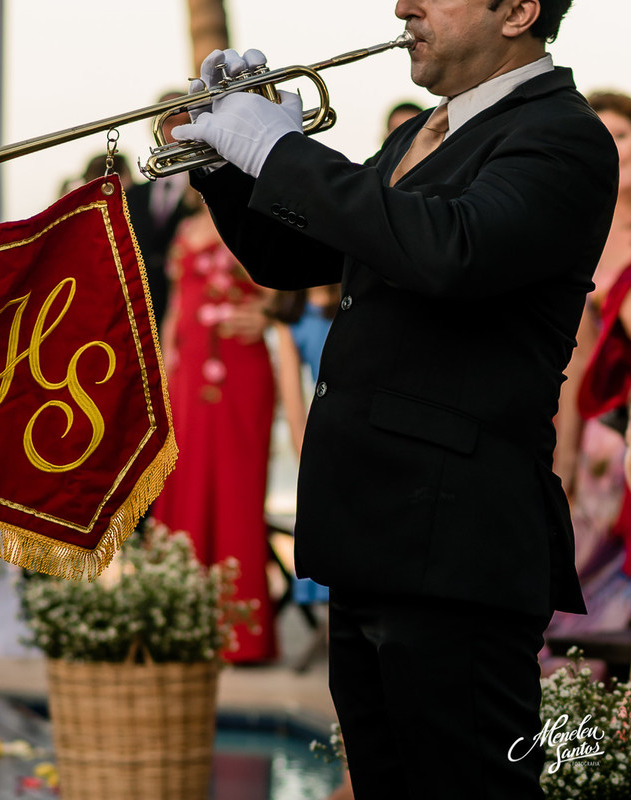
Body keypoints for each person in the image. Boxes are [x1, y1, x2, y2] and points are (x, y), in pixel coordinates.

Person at [170, 0, 616, 796]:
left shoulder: (562, 135)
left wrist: (284, 152)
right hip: (371, 531)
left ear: (518, 10)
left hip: (457, 545)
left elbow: (450, 249)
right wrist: (225, 161)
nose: (402, 4)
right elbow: (291, 256)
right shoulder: (422, 132)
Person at [150, 197, 277, 664]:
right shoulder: (185, 229)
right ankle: (178, 624)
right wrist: (164, 376)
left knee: (236, 490)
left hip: (238, 370)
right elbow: (176, 305)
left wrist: (268, 316)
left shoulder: (253, 217)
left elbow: (293, 288)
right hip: (187, 373)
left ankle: (240, 636)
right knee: (182, 484)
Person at [548, 91, 631, 643]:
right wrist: (565, 457)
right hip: (607, 437)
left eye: (624, 136)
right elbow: (576, 360)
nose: (616, 151)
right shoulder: (580, 238)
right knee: (582, 577)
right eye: (604, 139)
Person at [125, 91, 192, 329]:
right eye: (170, 122)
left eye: (187, 122)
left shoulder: (211, 191)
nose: (177, 132)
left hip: (191, 317)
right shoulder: (131, 196)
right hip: (142, 318)